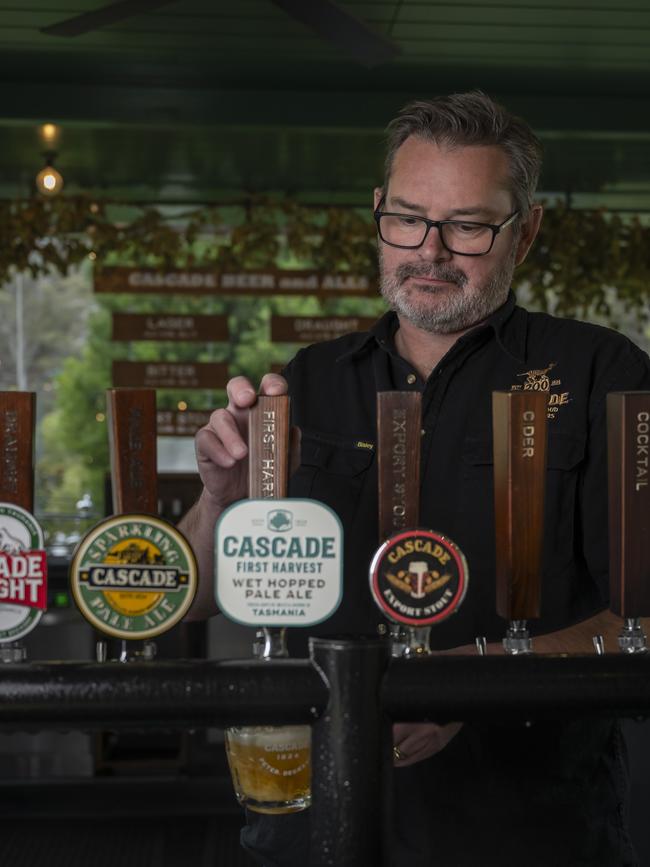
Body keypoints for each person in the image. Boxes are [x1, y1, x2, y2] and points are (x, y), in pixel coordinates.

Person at [181, 92, 649, 866]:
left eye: (467, 225)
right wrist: (221, 498)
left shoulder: (601, 373)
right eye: (406, 217)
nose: (429, 250)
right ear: (377, 211)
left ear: (525, 232)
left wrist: (477, 683)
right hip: (316, 826)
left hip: (530, 832)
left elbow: (640, 618)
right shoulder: (307, 380)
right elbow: (196, 593)